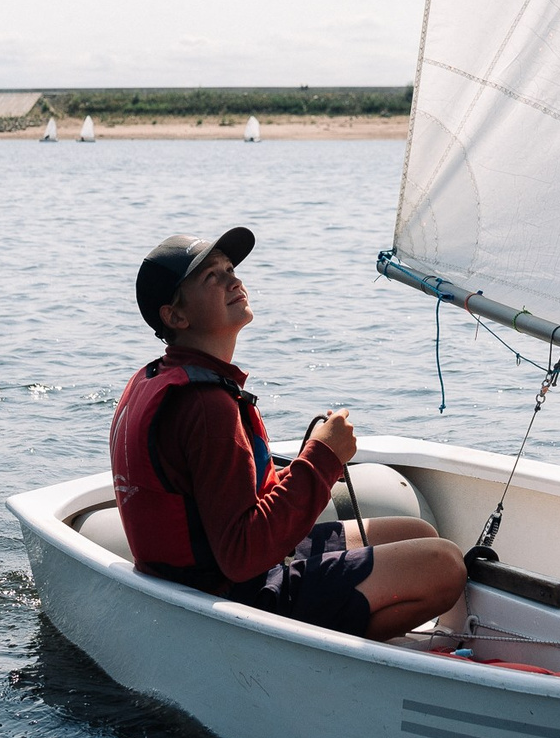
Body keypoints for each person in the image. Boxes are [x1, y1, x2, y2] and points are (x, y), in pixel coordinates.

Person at [109, 226, 465, 640]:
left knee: (416, 533)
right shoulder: (206, 405)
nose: (234, 280)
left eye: (230, 269)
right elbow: (241, 556)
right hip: (230, 598)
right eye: (212, 277)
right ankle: (334, 656)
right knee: (444, 565)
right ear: (175, 316)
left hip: (216, 573)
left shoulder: (161, 378)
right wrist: (323, 458)